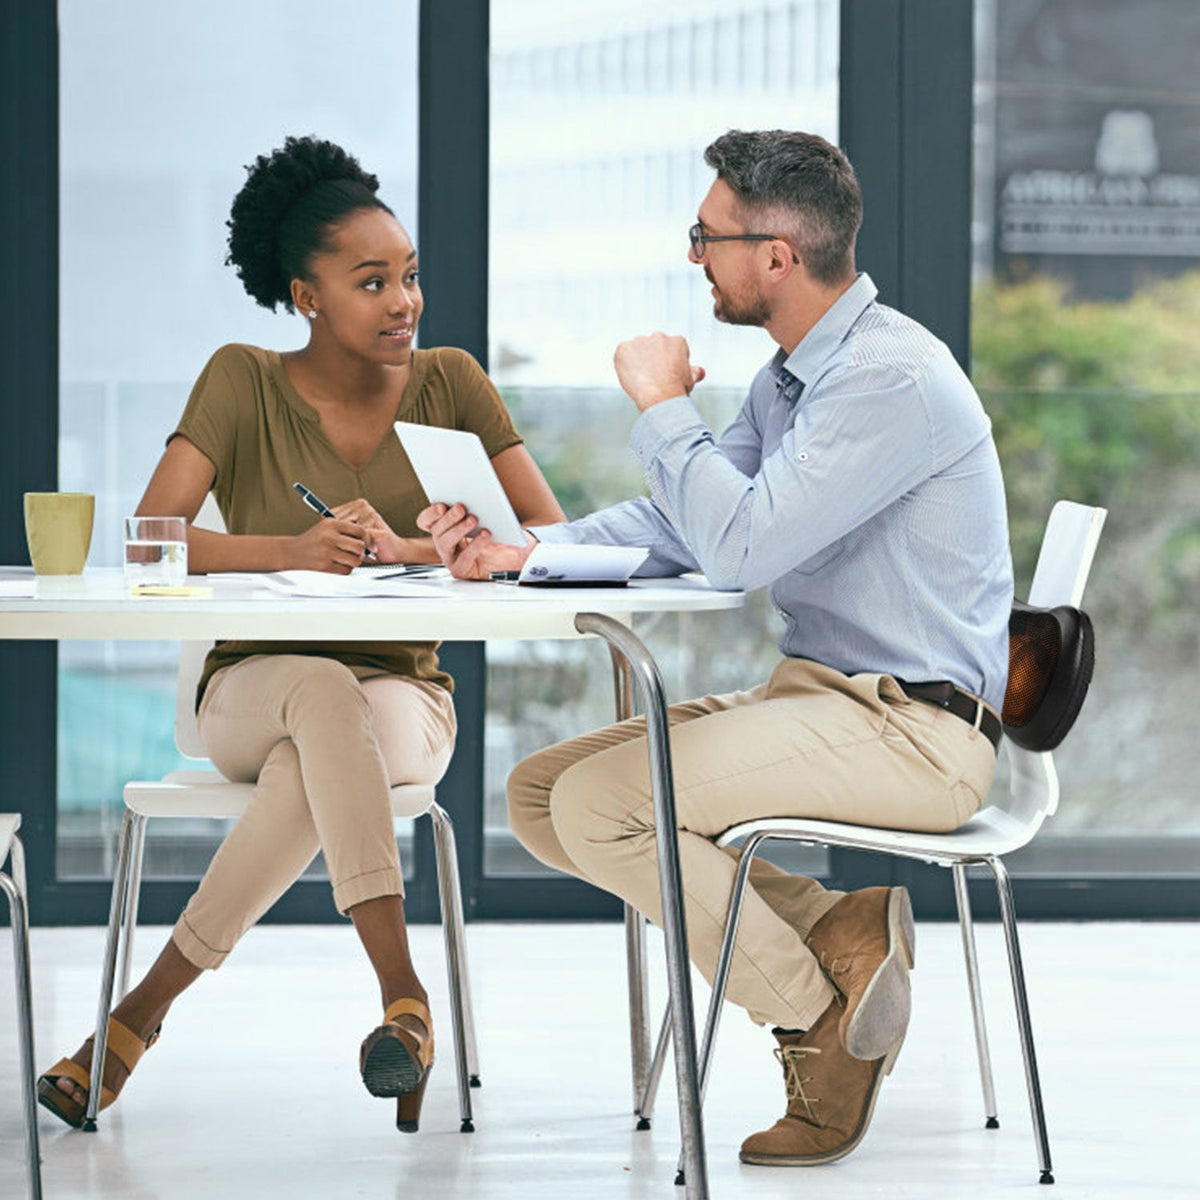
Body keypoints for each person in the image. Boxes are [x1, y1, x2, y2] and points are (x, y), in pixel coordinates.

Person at [418, 129, 1013, 1166]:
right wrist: (527, 551)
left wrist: (661, 406)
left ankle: (814, 1018)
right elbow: (680, 522)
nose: (695, 256)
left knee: (607, 807)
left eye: (708, 235)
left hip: (915, 731)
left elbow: (740, 548)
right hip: (826, 701)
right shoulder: (794, 380)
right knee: (541, 797)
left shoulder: (886, 381)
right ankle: (838, 933)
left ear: (776, 256)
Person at [37, 135, 565, 1134]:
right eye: (372, 282)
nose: (404, 300)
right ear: (306, 295)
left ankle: (132, 1024)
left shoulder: (452, 381)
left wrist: (434, 551)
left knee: (328, 738)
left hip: (407, 702)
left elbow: (548, 538)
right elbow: (153, 538)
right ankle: (403, 998)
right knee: (320, 694)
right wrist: (294, 548)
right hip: (249, 690)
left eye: (409, 277)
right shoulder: (242, 379)